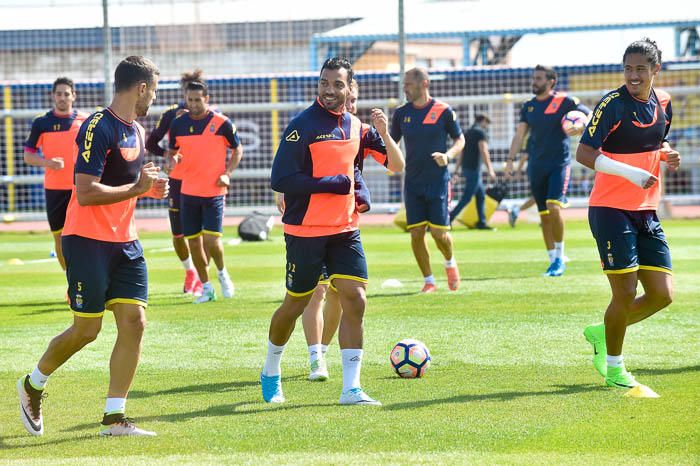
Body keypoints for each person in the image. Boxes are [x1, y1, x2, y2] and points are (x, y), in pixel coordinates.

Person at [17, 56, 165, 437]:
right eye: (155, 90)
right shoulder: (97, 126)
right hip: (86, 240)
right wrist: (136, 189)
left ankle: (114, 418)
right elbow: (84, 193)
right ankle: (33, 384)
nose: (155, 99)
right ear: (142, 88)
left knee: (135, 321)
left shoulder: (137, 130)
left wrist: (148, 191)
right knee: (86, 330)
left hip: (126, 241)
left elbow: (126, 187)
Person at [262, 57, 380, 405]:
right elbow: (280, 179)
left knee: (355, 299)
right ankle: (271, 369)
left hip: (345, 230)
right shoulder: (302, 125)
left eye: (337, 84)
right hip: (305, 231)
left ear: (349, 87)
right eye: (324, 83)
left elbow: (377, 162)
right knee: (294, 304)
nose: (330, 90)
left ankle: (352, 388)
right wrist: (331, 184)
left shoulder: (355, 125)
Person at [576, 38, 679, 390]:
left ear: (655, 70)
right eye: (628, 69)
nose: (633, 76)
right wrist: (632, 175)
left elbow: (655, 143)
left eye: (640, 69)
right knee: (624, 292)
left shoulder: (664, 102)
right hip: (610, 210)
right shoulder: (612, 104)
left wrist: (666, 154)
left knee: (662, 294)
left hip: (646, 211)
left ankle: (603, 331)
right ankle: (615, 369)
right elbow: (585, 153)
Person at [291, 79, 404, 381]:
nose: (350, 106)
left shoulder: (361, 131)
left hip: (344, 225)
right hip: (312, 222)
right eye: (347, 100)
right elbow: (292, 167)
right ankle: (315, 358)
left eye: (354, 101)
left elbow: (397, 165)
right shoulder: (312, 126)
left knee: (343, 296)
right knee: (316, 291)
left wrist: (384, 132)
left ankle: (324, 352)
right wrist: (284, 193)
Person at [505, 65, 591, 277]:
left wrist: (580, 126)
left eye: (539, 78)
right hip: (536, 166)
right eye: (533, 78)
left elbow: (589, 117)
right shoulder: (529, 106)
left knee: (554, 207)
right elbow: (519, 135)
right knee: (543, 215)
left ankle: (561, 257)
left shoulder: (566, 102)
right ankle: (552, 260)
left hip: (559, 164)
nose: (534, 81)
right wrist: (510, 159)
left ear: (551, 81)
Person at [390, 67, 465, 293]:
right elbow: (391, 143)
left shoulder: (443, 111)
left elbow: (460, 140)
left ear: (424, 84)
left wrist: (448, 156)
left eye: (408, 84)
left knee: (439, 233)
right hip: (412, 182)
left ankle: (450, 263)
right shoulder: (401, 114)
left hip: (438, 182)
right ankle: (429, 280)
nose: (404, 88)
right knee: (416, 232)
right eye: (403, 84)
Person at [167, 80, 242, 304]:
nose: (194, 104)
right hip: (188, 192)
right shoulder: (178, 124)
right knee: (193, 242)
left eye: (198, 100)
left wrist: (227, 173)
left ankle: (222, 273)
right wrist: (172, 160)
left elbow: (237, 149)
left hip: (214, 192)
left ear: (206, 99)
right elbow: (172, 152)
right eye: (190, 100)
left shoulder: (222, 123)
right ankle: (207, 287)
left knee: (212, 241)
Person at [145, 69, 204, 296]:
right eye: (188, 93)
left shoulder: (212, 116)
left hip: (202, 181)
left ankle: (201, 277)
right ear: (184, 92)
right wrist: (168, 155)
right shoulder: (172, 114)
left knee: (200, 234)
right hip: (178, 180)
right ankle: (190, 272)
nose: (192, 100)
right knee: (178, 234)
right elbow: (151, 143)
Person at [23, 77, 88, 271]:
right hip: (54, 191)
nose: (62, 97)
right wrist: (47, 163)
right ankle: (71, 280)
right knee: (59, 237)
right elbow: (28, 155)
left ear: (73, 96)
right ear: (53, 96)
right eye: (58, 94)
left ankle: (87, 280)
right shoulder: (41, 122)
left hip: (80, 189)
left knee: (85, 237)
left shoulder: (84, 121)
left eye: (66, 94)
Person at [449, 114, 496, 229]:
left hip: (466, 168)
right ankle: (448, 219)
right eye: (487, 123)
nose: (487, 126)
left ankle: (482, 222)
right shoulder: (480, 133)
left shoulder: (467, 133)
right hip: (474, 169)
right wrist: (490, 170)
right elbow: (484, 151)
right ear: (483, 120)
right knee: (467, 197)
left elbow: (461, 153)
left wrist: (456, 170)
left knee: (481, 196)